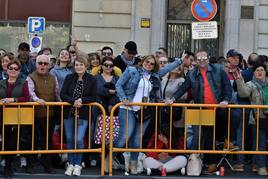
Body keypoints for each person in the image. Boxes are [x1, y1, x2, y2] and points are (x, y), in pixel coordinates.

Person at [114, 53, 187, 174]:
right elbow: (119, 84)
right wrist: (123, 98)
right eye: (147, 62)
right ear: (143, 61)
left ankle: (133, 165)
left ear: (154, 66)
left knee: (137, 140)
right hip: (128, 108)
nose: (149, 64)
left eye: (152, 64)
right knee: (124, 137)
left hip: (144, 111)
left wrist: (179, 61)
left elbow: (167, 69)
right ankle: (108, 158)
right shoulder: (132, 70)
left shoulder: (155, 76)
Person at [167, 50, 232, 174]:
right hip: (201, 109)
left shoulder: (218, 69)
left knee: (210, 136)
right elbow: (184, 87)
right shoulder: (192, 74)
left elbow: (227, 86)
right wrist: (173, 98)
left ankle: (212, 161)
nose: (202, 60)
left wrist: (226, 100)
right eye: (199, 58)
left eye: (204, 58)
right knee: (199, 137)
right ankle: (196, 164)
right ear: (196, 61)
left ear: (208, 58)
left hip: (218, 109)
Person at [61, 55, 97, 176]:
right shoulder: (69, 77)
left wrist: (81, 100)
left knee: (79, 138)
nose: (78, 67)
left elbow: (93, 96)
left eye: (81, 64)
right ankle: (70, 163)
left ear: (86, 66)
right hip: (69, 112)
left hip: (83, 113)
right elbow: (63, 94)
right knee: (70, 138)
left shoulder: (91, 79)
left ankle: (77, 164)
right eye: (76, 64)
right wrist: (73, 101)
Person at [26, 54, 60, 174]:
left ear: (49, 65)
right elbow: (30, 93)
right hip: (34, 115)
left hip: (49, 115)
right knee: (33, 140)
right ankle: (30, 165)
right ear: (36, 64)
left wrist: (61, 104)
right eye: (40, 63)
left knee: (48, 141)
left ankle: (47, 166)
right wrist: (37, 100)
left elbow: (57, 93)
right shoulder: (30, 77)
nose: (42, 66)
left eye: (45, 64)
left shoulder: (53, 78)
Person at [235, 63, 268, 176]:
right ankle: (261, 166)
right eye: (257, 70)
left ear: (265, 72)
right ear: (254, 73)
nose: (260, 71)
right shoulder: (251, 84)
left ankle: (258, 164)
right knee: (260, 143)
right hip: (258, 118)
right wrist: (239, 80)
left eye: (262, 70)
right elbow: (243, 93)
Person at [0, 60, 30, 178]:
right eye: (11, 68)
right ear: (7, 70)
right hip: (1, 116)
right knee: (3, 142)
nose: (13, 70)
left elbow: (26, 98)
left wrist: (14, 100)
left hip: (15, 117)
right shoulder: (1, 82)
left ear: (19, 71)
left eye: (16, 69)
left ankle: (8, 166)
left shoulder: (23, 82)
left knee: (11, 142)